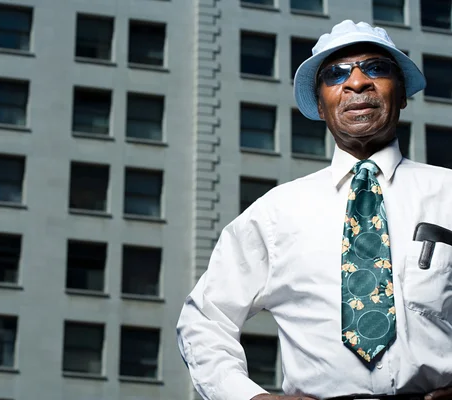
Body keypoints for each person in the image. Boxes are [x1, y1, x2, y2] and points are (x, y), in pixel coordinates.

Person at [176, 20, 452, 400]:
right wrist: (249, 398)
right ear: (321, 106)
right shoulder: (276, 213)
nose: (357, 82)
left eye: (376, 67)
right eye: (336, 74)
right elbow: (204, 320)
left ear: (402, 92)